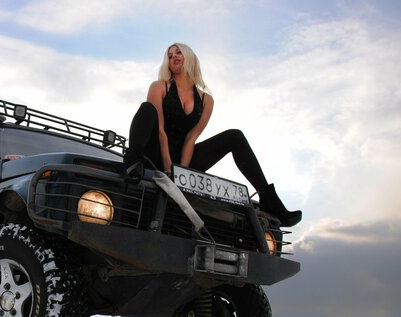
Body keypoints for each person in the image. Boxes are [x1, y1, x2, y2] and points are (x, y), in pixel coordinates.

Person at [123, 43, 302, 227]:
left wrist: (182, 174)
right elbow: (160, 131)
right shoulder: (159, 87)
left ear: (189, 57)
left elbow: (191, 138)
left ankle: (269, 199)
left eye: (178, 52)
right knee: (147, 110)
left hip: (183, 158)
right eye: (169, 56)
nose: (173, 57)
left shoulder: (206, 100)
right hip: (155, 154)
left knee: (235, 136)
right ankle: (132, 162)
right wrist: (169, 168)